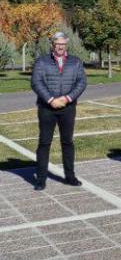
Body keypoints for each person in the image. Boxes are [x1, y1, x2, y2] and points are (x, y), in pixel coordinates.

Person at [30, 32, 87, 190]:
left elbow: (81, 82)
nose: (60, 47)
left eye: (63, 44)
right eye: (57, 44)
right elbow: (36, 82)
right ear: (52, 45)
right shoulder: (42, 62)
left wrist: (67, 98)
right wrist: (51, 100)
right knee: (44, 143)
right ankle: (40, 180)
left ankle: (70, 177)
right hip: (47, 108)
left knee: (67, 142)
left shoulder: (76, 62)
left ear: (66, 44)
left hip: (68, 108)